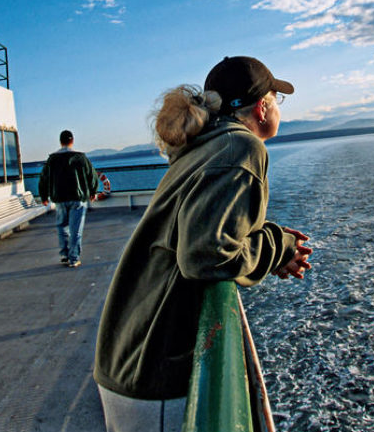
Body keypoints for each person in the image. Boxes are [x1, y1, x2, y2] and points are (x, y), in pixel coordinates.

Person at [93, 56, 314, 431]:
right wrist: (279, 245)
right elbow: (207, 256)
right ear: (262, 107)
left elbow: (209, 235)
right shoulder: (241, 149)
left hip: (131, 354)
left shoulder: (205, 146)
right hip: (155, 367)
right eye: (277, 99)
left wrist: (275, 247)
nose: (278, 107)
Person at [38, 130, 100, 268]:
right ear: (72, 141)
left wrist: (44, 196)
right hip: (77, 198)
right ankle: (74, 258)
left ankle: (64, 255)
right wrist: (93, 191)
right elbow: (92, 175)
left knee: (62, 226)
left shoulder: (52, 159)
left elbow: (44, 178)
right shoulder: (80, 157)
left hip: (59, 198)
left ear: (61, 141)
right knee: (75, 229)